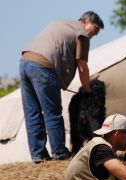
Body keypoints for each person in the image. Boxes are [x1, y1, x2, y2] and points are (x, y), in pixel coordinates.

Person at [19, 11, 104, 163]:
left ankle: (38, 155)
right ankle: (60, 153)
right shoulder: (82, 34)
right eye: (96, 30)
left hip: (25, 62)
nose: (95, 35)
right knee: (53, 113)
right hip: (44, 68)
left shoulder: (60, 23)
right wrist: (87, 91)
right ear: (87, 22)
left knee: (32, 113)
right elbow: (83, 67)